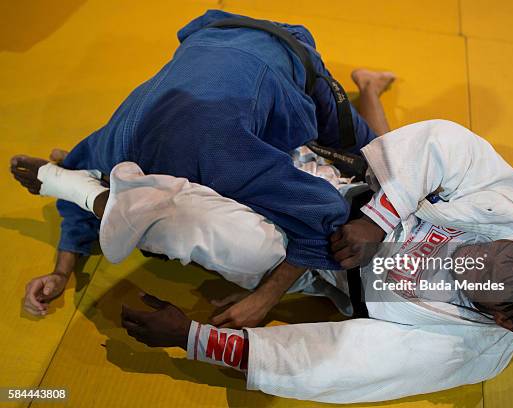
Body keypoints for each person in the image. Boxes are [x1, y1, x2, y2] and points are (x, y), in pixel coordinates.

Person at [12, 93, 513, 402]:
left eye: (502, 277)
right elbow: (448, 145)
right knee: (250, 134)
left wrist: (192, 339)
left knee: (212, 232)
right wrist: (380, 216)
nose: (499, 256)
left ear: (502, 317)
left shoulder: (461, 350)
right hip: (352, 188)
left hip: (315, 270)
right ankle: (107, 172)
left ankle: (87, 193)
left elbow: (329, 363)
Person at [10, 9, 396, 326]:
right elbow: (72, 184)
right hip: (209, 36)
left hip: (292, 55)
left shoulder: (229, 160)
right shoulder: (117, 143)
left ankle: (369, 86)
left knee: (379, 161)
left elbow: (321, 211)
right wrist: (61, 272)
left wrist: (265, 299)